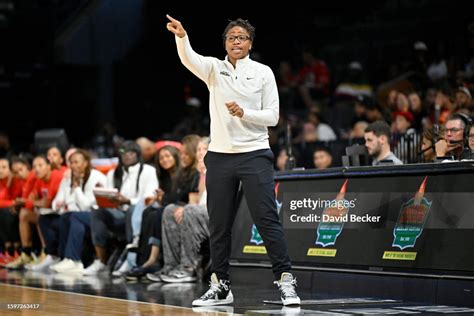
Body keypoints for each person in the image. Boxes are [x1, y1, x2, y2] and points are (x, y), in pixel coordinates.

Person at [166, 15, 300, 306]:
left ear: (250, 43)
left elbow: (273, 116)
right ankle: (222, 286)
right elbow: (189, 59)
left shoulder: (263, 72)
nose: (235, 41)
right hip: (220, 157)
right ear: (225, 44)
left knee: (267, 220)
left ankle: (286, 281)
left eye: (241, 37)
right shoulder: (215, 69)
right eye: (230, 37)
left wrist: (244, 113)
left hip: (254, 154)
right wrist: (182, 36)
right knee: (219, 225)